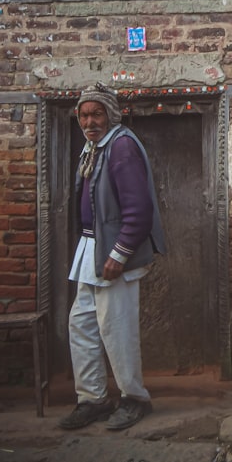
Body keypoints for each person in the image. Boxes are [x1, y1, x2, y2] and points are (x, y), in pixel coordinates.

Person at [58, 83, 166, 431]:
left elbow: (139, 210)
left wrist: (119, 254)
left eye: (97, 113)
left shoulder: (121, 147)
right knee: (83, 326)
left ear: (111, 115)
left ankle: (134, 399)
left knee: (116, 329)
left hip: (112, 250)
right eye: (84, 115)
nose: (90, 121)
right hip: (91, 248)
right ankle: (93, 399)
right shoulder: (93, 148)